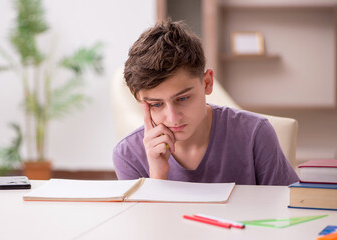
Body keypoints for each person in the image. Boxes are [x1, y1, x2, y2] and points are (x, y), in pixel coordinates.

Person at [113, 20, 299, 185]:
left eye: (183, 98)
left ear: (207, 83)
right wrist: (158, 176)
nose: (173, 118)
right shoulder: (129, 155)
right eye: (156, 104)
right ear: (141, 101)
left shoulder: (255, 135)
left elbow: (288, 209)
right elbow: (147, 225)